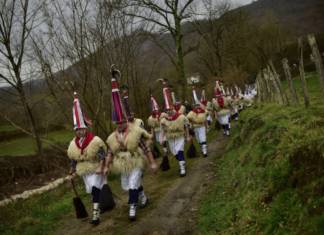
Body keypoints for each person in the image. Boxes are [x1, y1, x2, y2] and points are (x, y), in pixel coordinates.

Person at [105, 66, 157, 221]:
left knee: (134, 182)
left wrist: (152, 163)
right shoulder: (112, 137)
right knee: (127, 186)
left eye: (122, 121)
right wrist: (106, 166)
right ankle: (143, 198)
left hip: (135, 160)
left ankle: (132, 207)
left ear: (126, 121)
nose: (120, 124)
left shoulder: (135, 132)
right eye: (118, 122)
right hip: (122, 163)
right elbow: (109, 152)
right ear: (115, 122)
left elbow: (145, 148)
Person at [67, 92, 108, 225]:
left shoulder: (95, 140)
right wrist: (72, 171)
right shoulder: (73, 144)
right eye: (77, 130)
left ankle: (96, 215)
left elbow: (102, 154)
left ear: (86, 129)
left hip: (95, 167)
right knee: (92, 190)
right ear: (75, 131)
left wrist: (102, 167)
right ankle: (104, 203)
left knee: (96, 188)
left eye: (82, 129)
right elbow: (73, 159)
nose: (80, 132)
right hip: (84, 170)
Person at [159, 79, 190, 177]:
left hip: (180, 135)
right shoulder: (164, 120)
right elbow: (163, 129)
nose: (169, 111)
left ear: (173, 108)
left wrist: (187, 136)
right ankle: (182, 161)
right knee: (175, 153)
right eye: (167, 110)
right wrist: (162, 138)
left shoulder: (180, 117)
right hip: (170, 137)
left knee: (180, 150)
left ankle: (182, 168)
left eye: (170, 109)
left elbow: (186, 125)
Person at [187, 87, 208, 157]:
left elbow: (205, 117)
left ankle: (205, 151)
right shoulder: (192, 112)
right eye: (195, 105)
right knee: (199, 140)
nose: (197, 106)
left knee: (203, 138)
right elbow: (188, 118)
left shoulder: (203, 111)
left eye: (197, 105)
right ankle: (202, 148)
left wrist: (206, 126)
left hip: (201, 126)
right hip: (195, 127)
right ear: (194, 106)